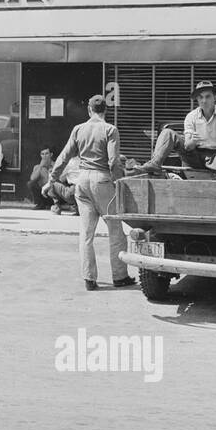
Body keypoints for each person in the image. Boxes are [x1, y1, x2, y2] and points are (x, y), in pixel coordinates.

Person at [52, 94, 133, 291]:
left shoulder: (78, 129)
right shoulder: (110, 129)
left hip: (82, 180)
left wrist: (52, 177)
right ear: (105, 110)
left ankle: (89, 278)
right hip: (102, 179)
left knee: (86, 233)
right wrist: (118, 180)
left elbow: (64, 156)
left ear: (89, 110)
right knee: (116, 231)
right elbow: (114, 161)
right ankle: (120, 276)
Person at [135, 80, 216, 179]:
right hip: (194, 156)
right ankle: (155, 164)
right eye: (200, 97)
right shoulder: (191, 116)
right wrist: (192, 142)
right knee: (167, 132)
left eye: (208, 96)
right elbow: (188, 146)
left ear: (215, 97)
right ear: (197, 99)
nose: (204, 100)